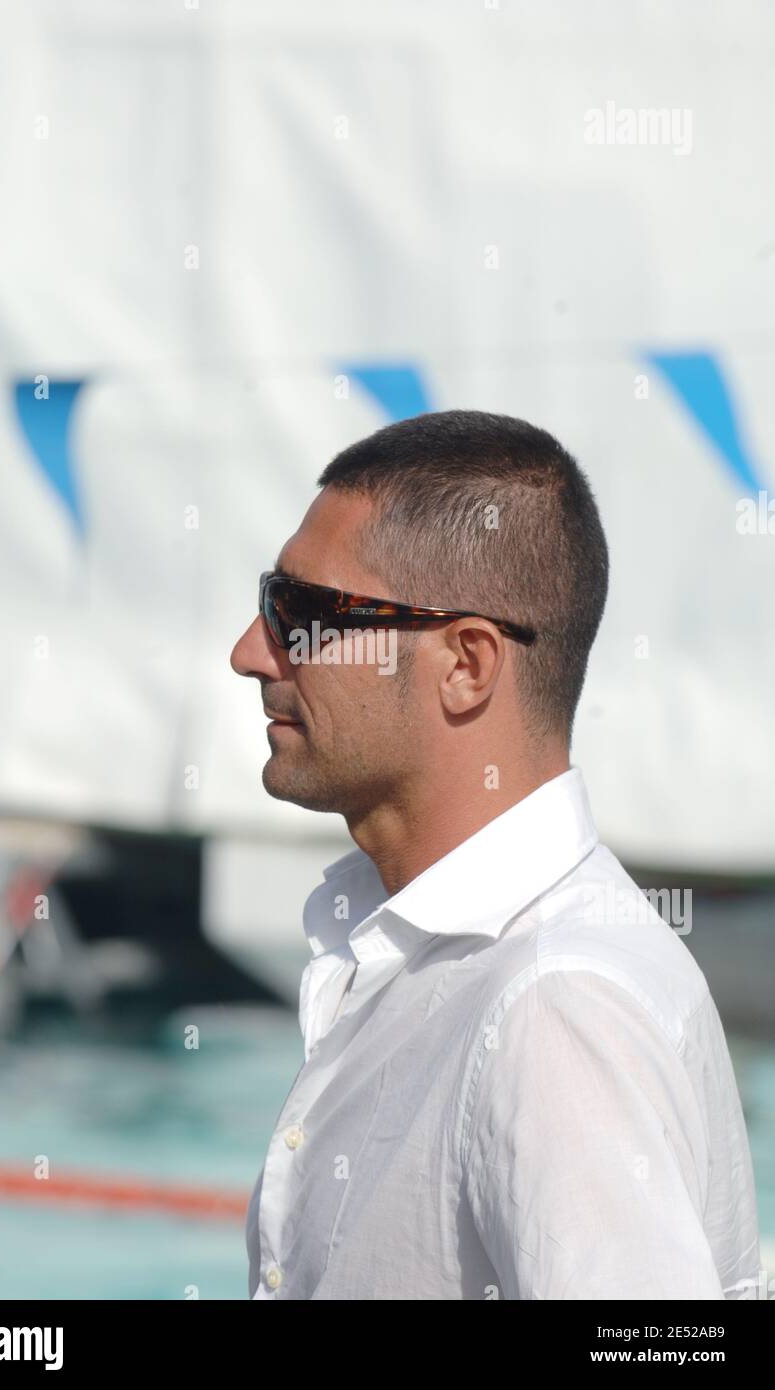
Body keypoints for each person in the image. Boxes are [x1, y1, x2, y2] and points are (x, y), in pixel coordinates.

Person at [229, 409, 761, 1300]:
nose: (252, 652)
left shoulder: (552, 1003)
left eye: (301, 614)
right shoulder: (436, 954)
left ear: (467, 665)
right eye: (264, 603)